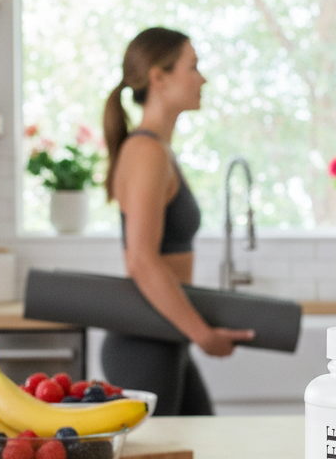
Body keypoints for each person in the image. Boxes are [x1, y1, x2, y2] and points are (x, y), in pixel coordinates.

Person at [100, 27, 254, 415]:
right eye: (193, 67)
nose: (202, 78)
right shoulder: (146, 151)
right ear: (159, 77)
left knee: (199, 455)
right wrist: (203, 334)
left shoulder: (157, 150)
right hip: (144, 343)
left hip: (163, 335)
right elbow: (141, 260)